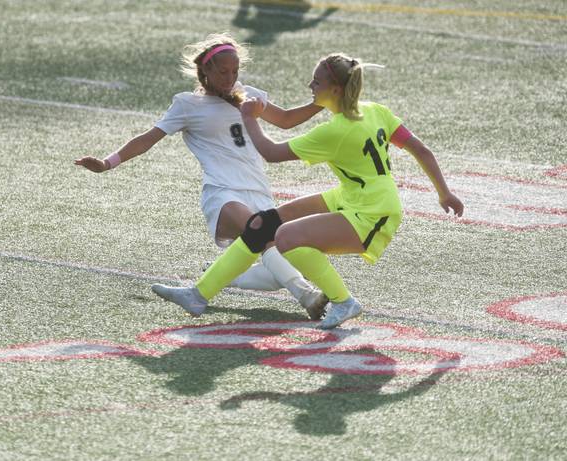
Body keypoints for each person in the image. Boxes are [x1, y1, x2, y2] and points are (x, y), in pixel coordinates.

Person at [152, 52, 464, 329]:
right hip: (353, 195)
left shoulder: (335, 131)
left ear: (335, 90)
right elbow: (421, 150)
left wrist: (250, 118)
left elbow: (271, 153)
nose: (310, 87)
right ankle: (198, 295)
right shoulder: (375, 110)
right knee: (263, 223)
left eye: (316, 83)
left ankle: (342, 301)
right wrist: (444, 193)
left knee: (286, 237)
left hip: (372, 211)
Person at [75, 33, 330, 318]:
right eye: (223, 72)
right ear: (205, 70)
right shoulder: (187, 105)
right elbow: (147, 139)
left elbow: (286, 120)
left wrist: (325, 101)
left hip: (259, 192)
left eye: (235, 71)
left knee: (274, 267)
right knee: (263, 235)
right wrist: (107, 163)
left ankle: (220, 276)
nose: (230, 78)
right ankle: (306, 295)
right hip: (222, 194)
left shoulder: (248, 95)